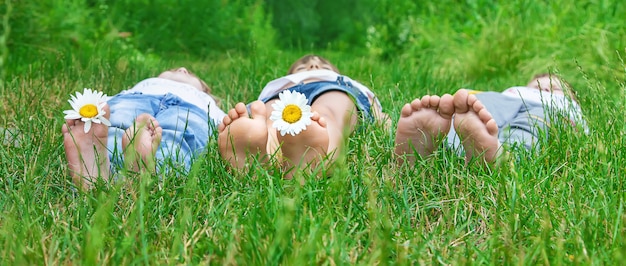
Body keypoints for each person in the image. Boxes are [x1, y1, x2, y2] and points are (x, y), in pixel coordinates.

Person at [218, 54, 389, 178]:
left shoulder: (342, 81)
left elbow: (375, 108)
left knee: (326, 115)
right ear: (291, 73)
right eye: (302, 67)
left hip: (331, 88)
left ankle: (318, 154)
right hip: (283, 93)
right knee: (272, 119)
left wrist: (381, 118)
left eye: (323, 66)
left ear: (335, 72)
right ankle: (263, 152)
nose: (313, 66)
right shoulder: (281, 83)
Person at [62, 67, 226, 189]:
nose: (182, 69)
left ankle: (137, 171)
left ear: (206, 92)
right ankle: (98, 167)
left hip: (191, 109)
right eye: (173, 69)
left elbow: (228, 124)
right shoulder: (138, 87)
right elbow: (108, 104)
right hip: (135, 98)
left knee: (179, 134)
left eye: (189, 73)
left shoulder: (207, 101)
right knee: (116, 124)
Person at [395, 73, 585, 165]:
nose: (544, 89)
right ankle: (435, 147)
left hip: (546, 110)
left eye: (554, 88)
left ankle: (503, 155)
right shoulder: (514, 92)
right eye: (537, 85)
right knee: (475, 116)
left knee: (530, 127)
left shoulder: (568, 108)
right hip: (502, 101)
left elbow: (582, 135)